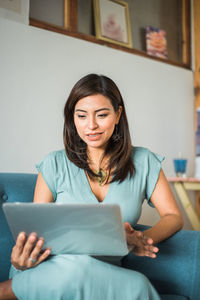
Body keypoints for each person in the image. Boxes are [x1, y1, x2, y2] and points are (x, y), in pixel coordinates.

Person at [0, 74, 183, 300]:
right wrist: (22, 259)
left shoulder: (144, 161)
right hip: (49, 270)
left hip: (105, 273)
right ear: (72, 118)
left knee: (137, 283)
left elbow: (173, 216)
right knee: (120, 280)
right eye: (82, 116)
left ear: (118, 114)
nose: (91, 125)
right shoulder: (53, 163)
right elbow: (37, 233)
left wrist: (140, 239)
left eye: (102, 115)